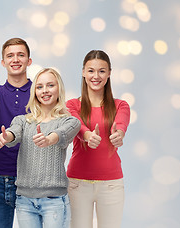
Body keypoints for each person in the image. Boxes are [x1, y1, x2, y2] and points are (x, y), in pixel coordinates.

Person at [0, 68, 79, 228]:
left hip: (54, 200)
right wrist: (6, 137)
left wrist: (49, 139)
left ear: (59, 88)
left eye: (50, 85)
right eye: (39, 87)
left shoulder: (69, 121)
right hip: (25, 200)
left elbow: (61, 134)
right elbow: (14, 132)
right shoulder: (23, 120)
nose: (45, 90)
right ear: (34, 92)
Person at [66, 50, 129, 228]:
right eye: (91, 70)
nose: (96, 76)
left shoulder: (121, 105)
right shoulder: (72, 105)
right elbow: (75, 124)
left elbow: (122, 123)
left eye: (102, 71)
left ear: (109, 73)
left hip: (111, 185)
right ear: (83, 72)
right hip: (78, 184)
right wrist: (87, 135)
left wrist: (119, 134)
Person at [0, 37, 34, 228]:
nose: (15, 59)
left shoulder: (39, 92)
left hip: (32, 179)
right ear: (3, 62)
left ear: (29, 60)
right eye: (10, 56)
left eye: (21, 55)